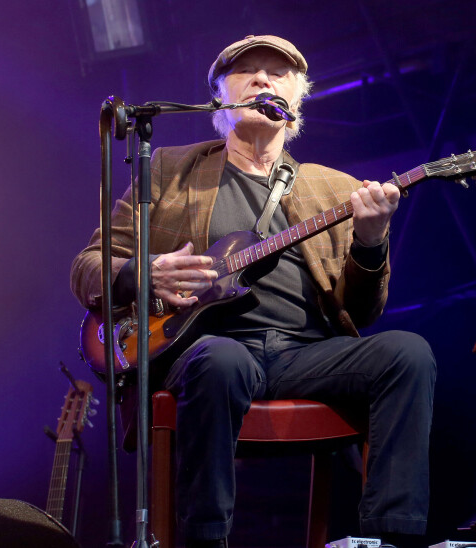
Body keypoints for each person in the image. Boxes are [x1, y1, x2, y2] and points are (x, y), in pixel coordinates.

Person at [71, 35, 436, 548]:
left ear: (297, 100)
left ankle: (393, 537)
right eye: (248, 72)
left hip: (304, 355)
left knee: (408, 353)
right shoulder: (168, 171)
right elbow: (88, 267)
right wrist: (148, 270)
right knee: (224, 360)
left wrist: (372, 244)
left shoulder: (336, 188)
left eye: (279, 73)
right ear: (220, 97)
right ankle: (205, 539)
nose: (264, 79)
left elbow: (363, 311)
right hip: (203, 352)